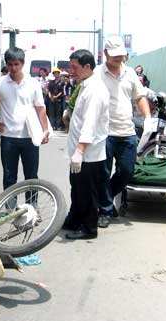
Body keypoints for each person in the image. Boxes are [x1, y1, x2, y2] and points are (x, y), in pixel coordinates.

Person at [96, 36, 151, 228]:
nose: (119, 59)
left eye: (121, 55)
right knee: (102, 173)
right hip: (104, 133)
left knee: (127, 171)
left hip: (127, 132)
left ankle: (106, 201)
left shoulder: (130, 74)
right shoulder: (97, 74)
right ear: (105, 54)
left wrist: (148, 118)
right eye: (114, 56)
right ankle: (104, 210)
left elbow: (140, 96)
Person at [0, 47, 49, 190]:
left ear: (23, 64)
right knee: (9, 177)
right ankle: (10, 210)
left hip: (30, 137)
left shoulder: (33, 83)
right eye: (10, 64)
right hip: (8, 138)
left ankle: (31, 209)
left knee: (31, 176)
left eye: (16, 64)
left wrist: (45, 130)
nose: (13, 68)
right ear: (6, 64)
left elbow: (40, 108)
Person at [63, 49, 110, 240]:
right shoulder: (84, 86)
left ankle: (89, 228)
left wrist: (80, 151)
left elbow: (90, 123)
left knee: (87, 191)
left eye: (74, 67)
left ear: (87, 66)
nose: (71, 71)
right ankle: (75, 219)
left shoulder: (95, 91)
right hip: (80, 151)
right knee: (77, 187)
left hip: (88, 153)